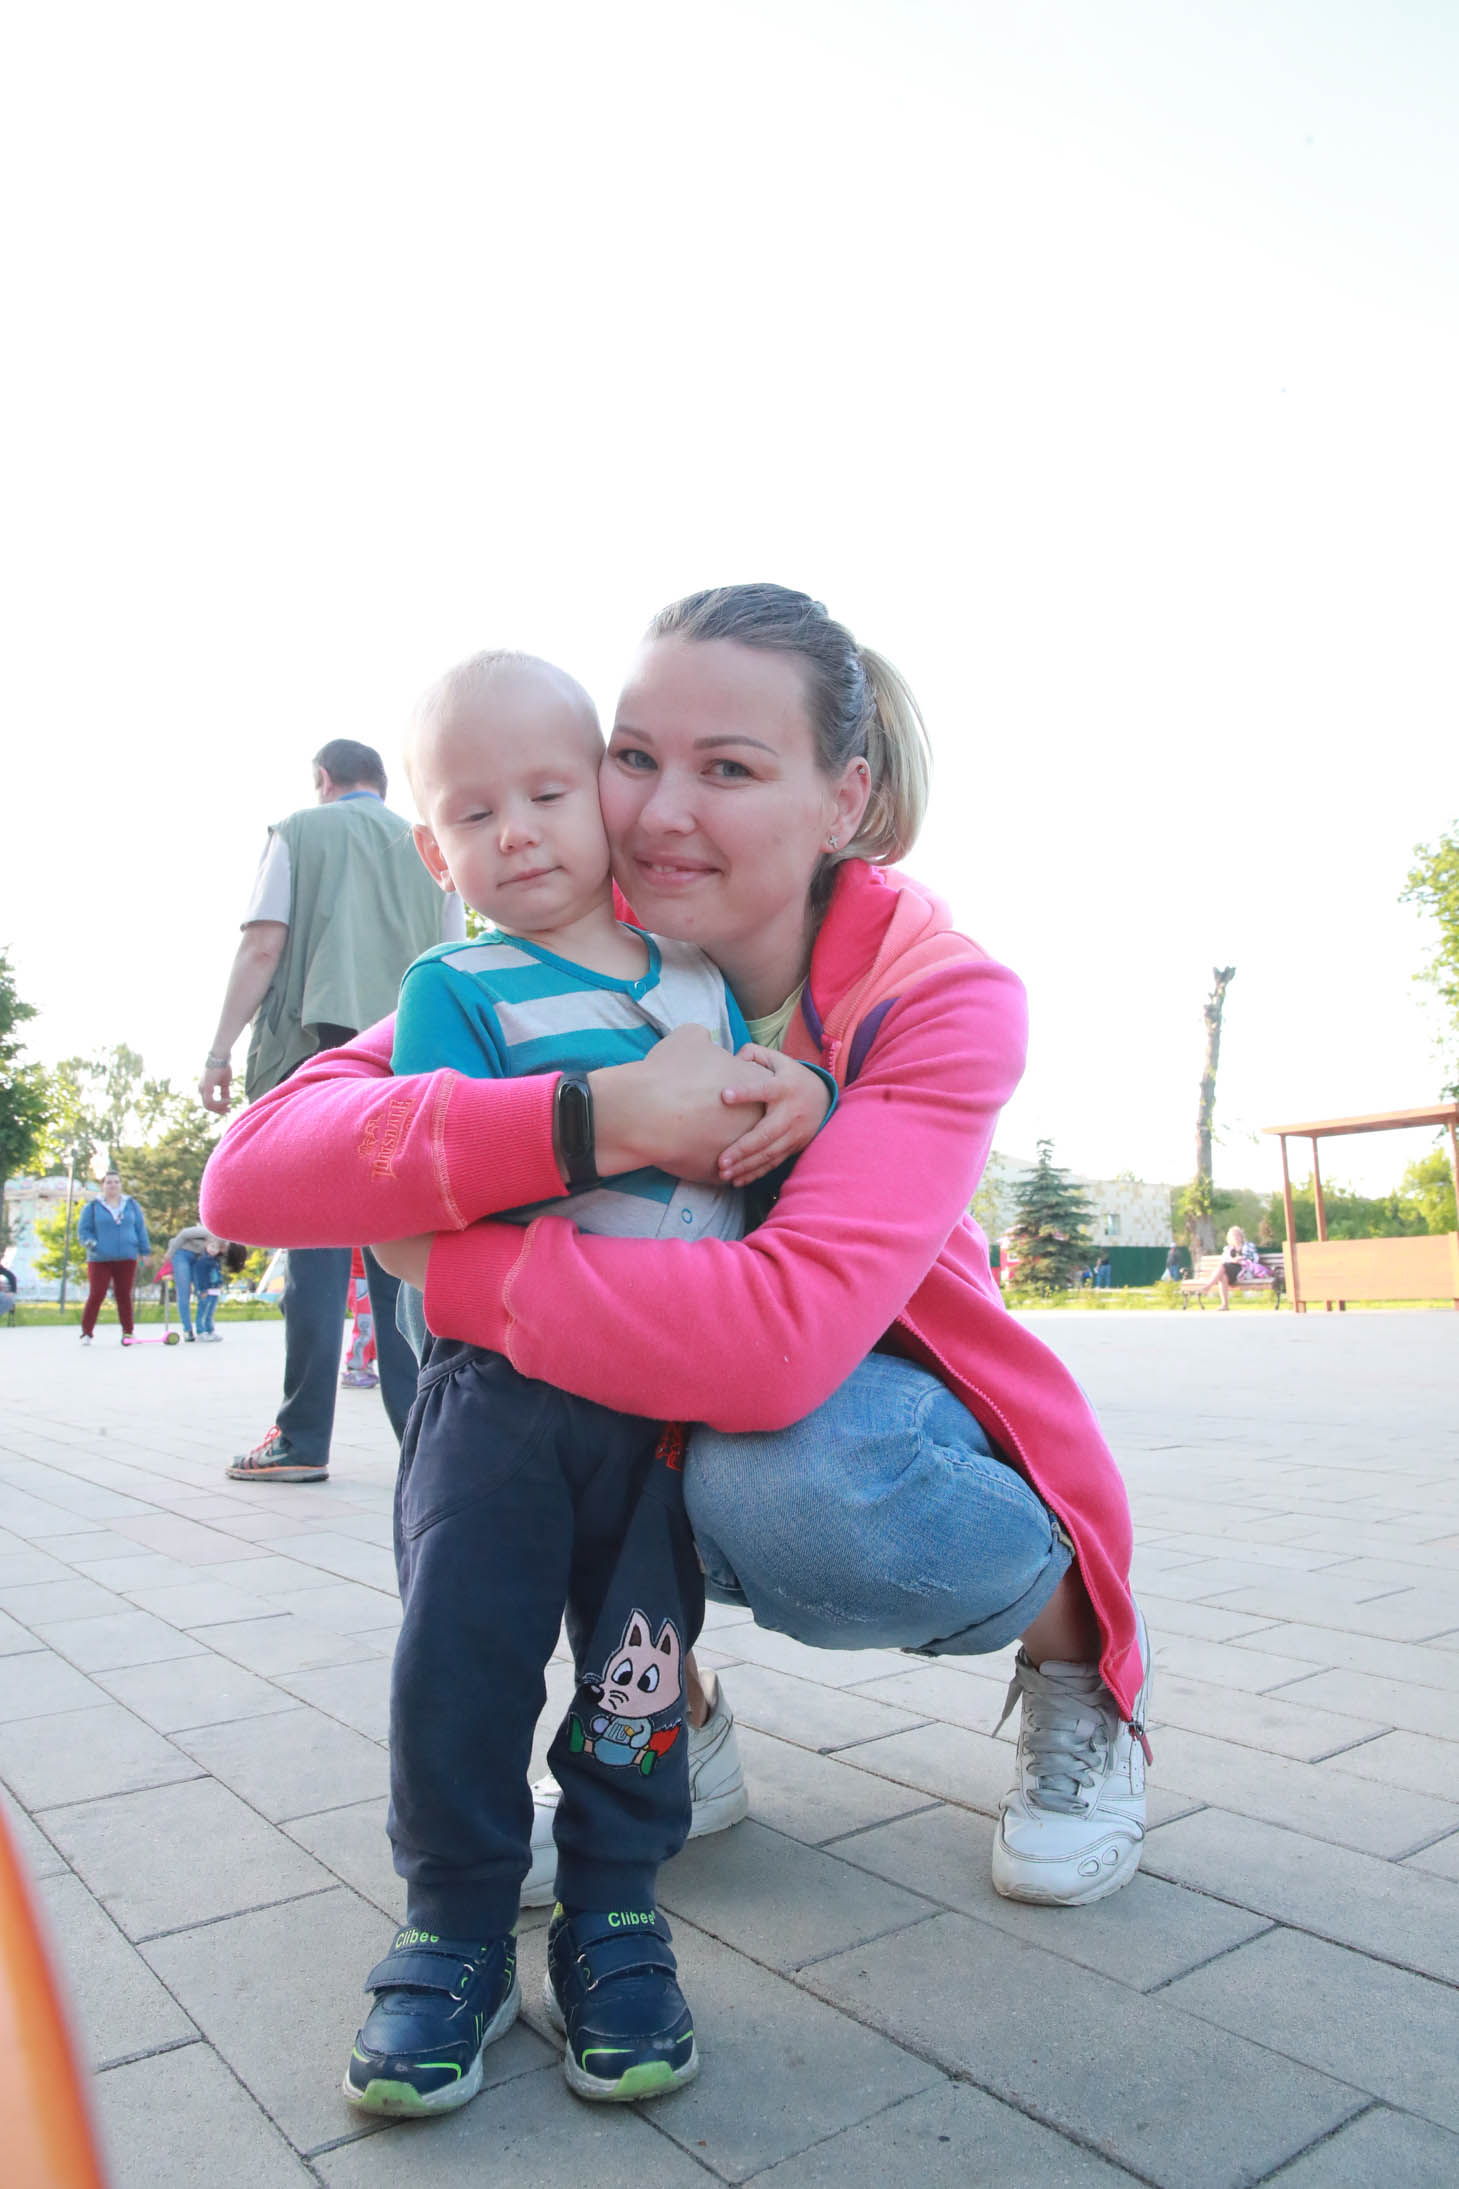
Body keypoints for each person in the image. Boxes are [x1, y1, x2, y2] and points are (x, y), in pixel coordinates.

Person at [203, 584, 1149, 2106]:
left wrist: (448, 1266)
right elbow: (257, 1173)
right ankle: (638, 1758)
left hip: (863, 1415)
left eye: (729, 767)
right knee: (504, 1558)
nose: (655, 809)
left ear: (843, 799)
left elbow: (775, 1350)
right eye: (634, 757)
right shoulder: (549, 958)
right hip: (594, 1399)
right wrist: (591, 1116)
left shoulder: (932, 991)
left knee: (778, 1474)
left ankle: (1074, 1666)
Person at [339, 648, 828, 2115]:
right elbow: (431, 1175)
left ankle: (614, 1909)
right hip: (497, 1401)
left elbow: (763, 1147)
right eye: (473, 812)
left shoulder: (700, 982)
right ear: (434, 850)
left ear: (608, 800)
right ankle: (455, 1925)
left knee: (638, 1667)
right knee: (462, 1660)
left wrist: (796, 1096)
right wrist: (624, 1123)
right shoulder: (452, 984)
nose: (518, 833)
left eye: (548, 793)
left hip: (656, 1410)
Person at [198, 737, 465, 1481]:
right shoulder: (432, 844)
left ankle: (301, 1437)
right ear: (380, 785)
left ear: (323, 779)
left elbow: (263, 946)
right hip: (407, 1059)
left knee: (312, 1252)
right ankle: (425, 1440)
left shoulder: (297, 831)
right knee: (401, 1254)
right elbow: (455, 956)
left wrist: (219, 1052)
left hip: (317, 1057)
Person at [77, 1172, 149, 1345]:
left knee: (124, 1294)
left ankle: (128, 1332)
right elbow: (83, 1230)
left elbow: (140, 1228)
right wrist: (92, 1244)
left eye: (116, 1182)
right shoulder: (93, 1206)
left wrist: (144, 1251)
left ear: (121, 1185)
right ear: (103, 1185)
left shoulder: (131, 1205)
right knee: (97, 1293)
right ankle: (87, 1332)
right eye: (109, 1182)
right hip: (99, 1258)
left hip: (126, 1256)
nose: (113, 1185)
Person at [165, 1222, 224, 1342]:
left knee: (202, 1291)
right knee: (184, 1291)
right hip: (181, 1254)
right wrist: (170, 1254)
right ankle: (187, 1330)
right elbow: (183, 1233)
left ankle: (204, 1330)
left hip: (198, 1258)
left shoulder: (222, 1241)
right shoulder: (206, 1231)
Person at [341, 1249, 379, 1389]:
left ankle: (366, 1364)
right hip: (360, 1276)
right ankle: (354, 1368)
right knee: (365, 1325)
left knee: (375, 1326)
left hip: (372, 1274)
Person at [1199, 1224, 1249, 1310]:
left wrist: (1241, 1259)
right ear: (1230, 1239)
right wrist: (1233, 1260)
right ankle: (1225, 1305)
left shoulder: (1248, 1246)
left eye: (1237, 1235)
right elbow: (1224, 1259)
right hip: (1230, 1270)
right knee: (1223, 1276)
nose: (1236, 1238)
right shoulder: (1228, 1249)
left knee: (1222, 1266)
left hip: (1243, 1270)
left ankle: (1209, 1286)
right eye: (1233, 1236)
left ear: (1241, 1236)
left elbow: (1254, 1258)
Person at [0, 1253, 17, 1323]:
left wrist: (12, 1291)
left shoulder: (4, 1272)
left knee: (6, 1299)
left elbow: (11, 1277)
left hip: (4, 1296)